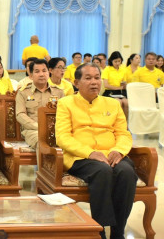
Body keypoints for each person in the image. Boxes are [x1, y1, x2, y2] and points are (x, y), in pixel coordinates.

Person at [56, 63, 137, 239]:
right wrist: (90, 153)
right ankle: (99, 230)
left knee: (126, 172)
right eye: (88, 78)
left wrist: (119, 150)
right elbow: (62, 137)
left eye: (97, 77)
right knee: (103, 171)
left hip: (112, 154)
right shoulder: (65, 103)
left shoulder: (113, 104)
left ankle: (118, 231)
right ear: (76, 83)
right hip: (81, 157)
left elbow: (123, 133)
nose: (94, 82)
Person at [16, 59, 64, 160]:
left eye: (44, 71)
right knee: (41, 140)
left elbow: (65, 114)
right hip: (32, 131)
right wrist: (38, 127)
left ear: (49, 72)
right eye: (37, 71)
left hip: (56, 130)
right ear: (31, 74)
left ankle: (63, 172)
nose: (41, 74)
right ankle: (43, 174)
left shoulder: (59, 92)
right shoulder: (23, 92)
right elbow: (20, 114)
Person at [101, 51, 128, 118]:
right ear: (111, 61)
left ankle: (125, 122)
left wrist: (124, 85)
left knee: (127, 103)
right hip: (109, 92)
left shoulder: (123, 70)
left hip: (120, 92)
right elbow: (106, 85)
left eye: (119, 61)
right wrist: (119, 87)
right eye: (115, 61)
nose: (117, 63)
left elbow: (124, 83)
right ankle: (117, 121)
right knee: (119, 102)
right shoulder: (107, 69)